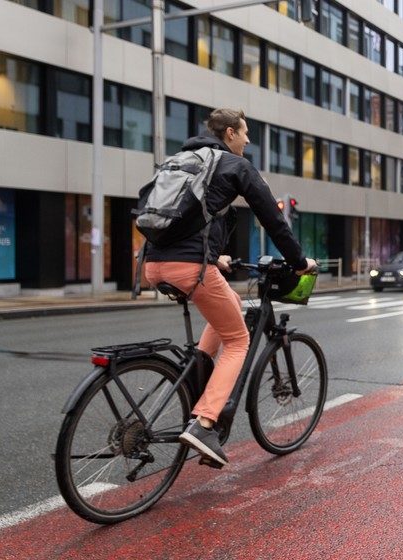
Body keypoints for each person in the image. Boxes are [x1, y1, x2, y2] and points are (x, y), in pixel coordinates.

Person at [144, 108, 316, 467]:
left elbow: (182, 218)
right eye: (245, 133)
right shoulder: (235, 166)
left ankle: (199, 372)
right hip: (190, 266)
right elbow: (273, 219)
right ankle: (205, 421)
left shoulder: (184, 159)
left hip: (154, 263)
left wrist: (213, 256)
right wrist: (300, 263)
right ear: (230, 134)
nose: (248, 140)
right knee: (239, 340)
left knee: (232, 301)